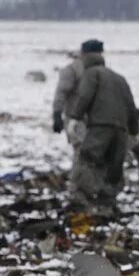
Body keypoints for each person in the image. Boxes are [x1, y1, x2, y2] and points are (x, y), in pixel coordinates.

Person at [66, 40, 139, 210]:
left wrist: (74, 118)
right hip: (121, 130)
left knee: (88, 159)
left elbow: (85, 96)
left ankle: (82, 199)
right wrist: (134, 129)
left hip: (100, 126)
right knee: (113, 167)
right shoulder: (119, 78)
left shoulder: (91, 74)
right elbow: (131, 105)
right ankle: (108, 203)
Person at [52, 43, 93, 193]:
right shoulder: (74, 70)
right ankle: (77, 187)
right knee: (82, 153)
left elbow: (61, 93)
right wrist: (57, 114)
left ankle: (80, 186)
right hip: (78, 120)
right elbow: (61, 93)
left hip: (83, 120)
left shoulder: (82, 70)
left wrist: (57, 113)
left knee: (82, 153)